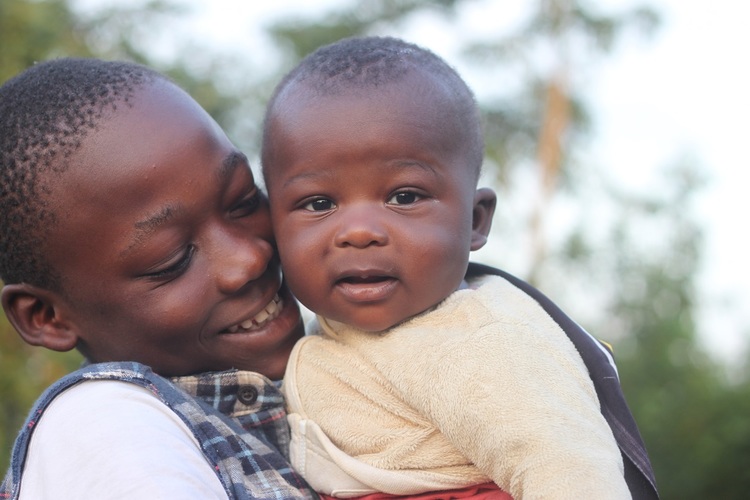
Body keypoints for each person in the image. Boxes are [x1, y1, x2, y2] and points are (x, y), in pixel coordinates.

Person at [261, 36, 659, 500]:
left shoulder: (482, 341)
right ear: (271, 226)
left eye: (404, 197)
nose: (359, 232)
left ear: (475, 221)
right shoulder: (314, 336)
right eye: (318, 203)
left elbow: (573, 472)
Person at [0, 58, 316, 499]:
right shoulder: (104, 429)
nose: (247, 260)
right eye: (171, 260)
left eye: (243, 201)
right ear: (46, 316)